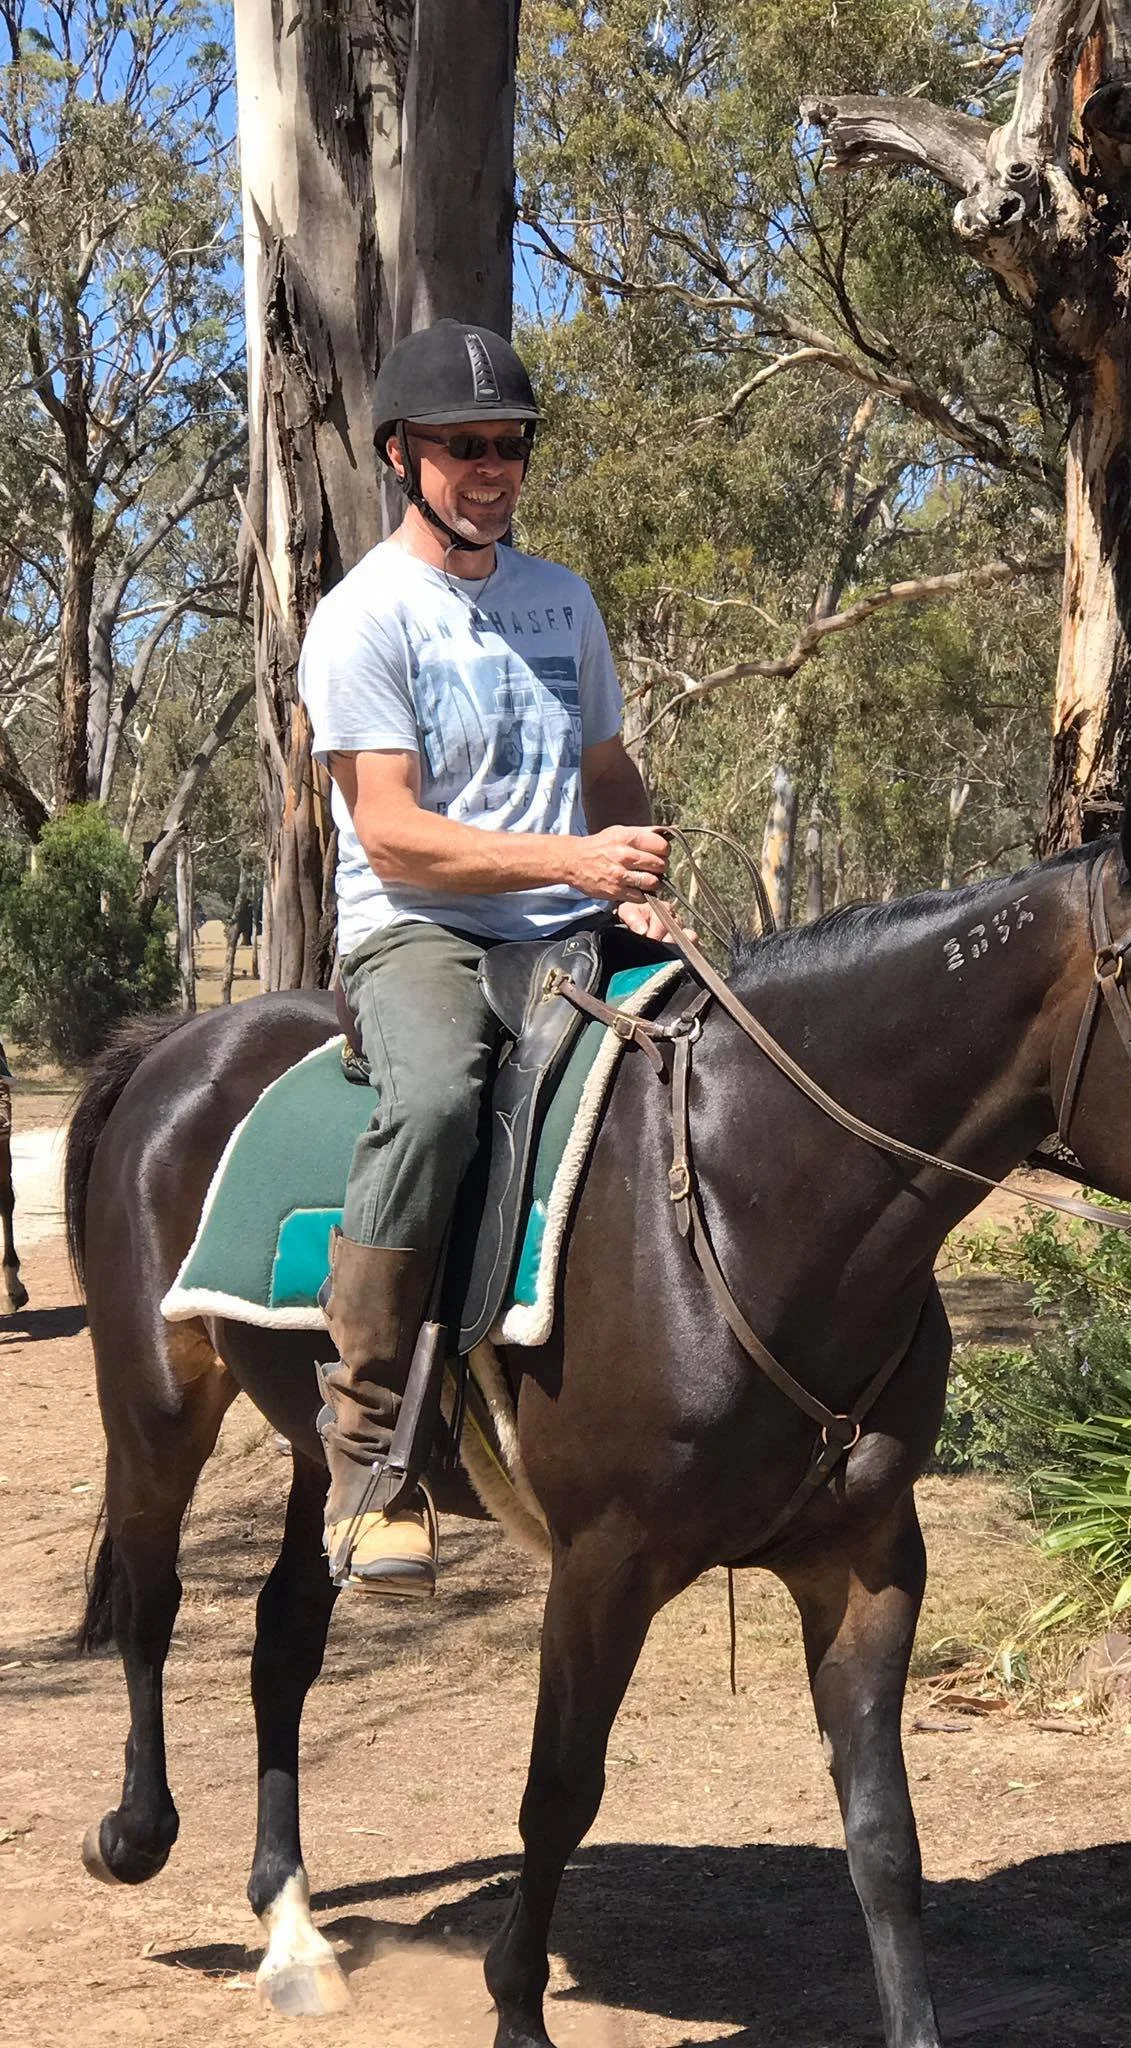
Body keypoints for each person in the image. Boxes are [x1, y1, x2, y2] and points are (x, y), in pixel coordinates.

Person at [297, 320, 671, 1600]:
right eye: (465, 446)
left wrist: (634, 864)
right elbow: (392, 829)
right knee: (442, 1099)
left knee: (699, 1061)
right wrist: (570, 865)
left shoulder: (562, 598)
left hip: (565, 920)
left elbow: (606, 765)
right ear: (402, 453)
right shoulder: (362, 619)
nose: (493, 467)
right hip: (419, 927)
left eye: (509, 444)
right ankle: (367, 1445)